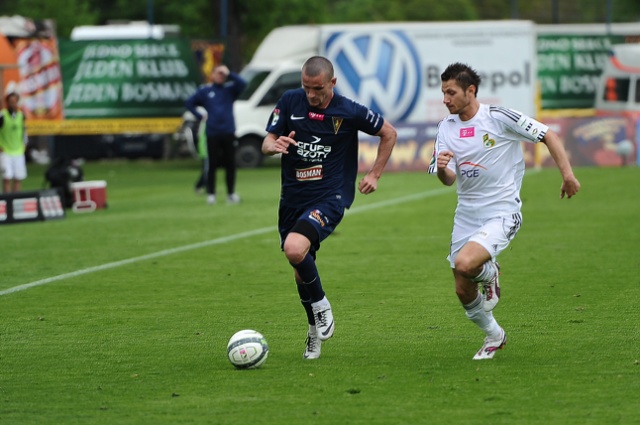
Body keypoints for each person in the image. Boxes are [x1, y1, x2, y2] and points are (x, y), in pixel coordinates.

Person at [428, 63, 581, 360]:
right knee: (462, 288)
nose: (445, 99)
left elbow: (548, 135)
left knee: (465, 264)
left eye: (451, 92)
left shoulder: (498, 117)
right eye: (443, 92)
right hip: (466, 215)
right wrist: (443, 168)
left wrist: (568, 175)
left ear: (470, 91)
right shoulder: (445, 128)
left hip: (502, 211)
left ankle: (490, 272)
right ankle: (494, 335)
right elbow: (448, 180)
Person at [262, 56, 397, 360]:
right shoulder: (290, 101)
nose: (311, 94)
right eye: (306, 87)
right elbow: (267, 141)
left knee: (295, 249)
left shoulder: (348, 111)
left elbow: (389, 133)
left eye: (318, 88)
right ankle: (313, 333)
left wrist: (374, 173)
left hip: (330, 197)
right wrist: (274, 145)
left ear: (332, 83)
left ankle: (322, 305)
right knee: (300, 270)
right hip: (292, 199)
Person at [185, 65, 246, 205]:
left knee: (230, 164)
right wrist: (199, 115)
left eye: (222, 74)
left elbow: (243, 83)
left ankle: (230, 193)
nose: (220, 76)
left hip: (228, 131)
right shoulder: (206, 91)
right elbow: (189, 103)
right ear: (212, 75)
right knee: (212, 164)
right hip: (212, 132)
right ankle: (211, 193)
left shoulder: (229, 90)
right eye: (218, 74)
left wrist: (229, 72)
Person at [0, 91, 28, 194]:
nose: (13, 104)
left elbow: (24, 131)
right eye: (11, 102)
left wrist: (24, 144)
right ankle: (7, 202)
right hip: (6, 151)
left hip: (18, 151)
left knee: (18, 178)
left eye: (15, 102)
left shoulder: (21, 115)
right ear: (7, 102)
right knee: (7, 177)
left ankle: (15, 201)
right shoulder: (2, 115)